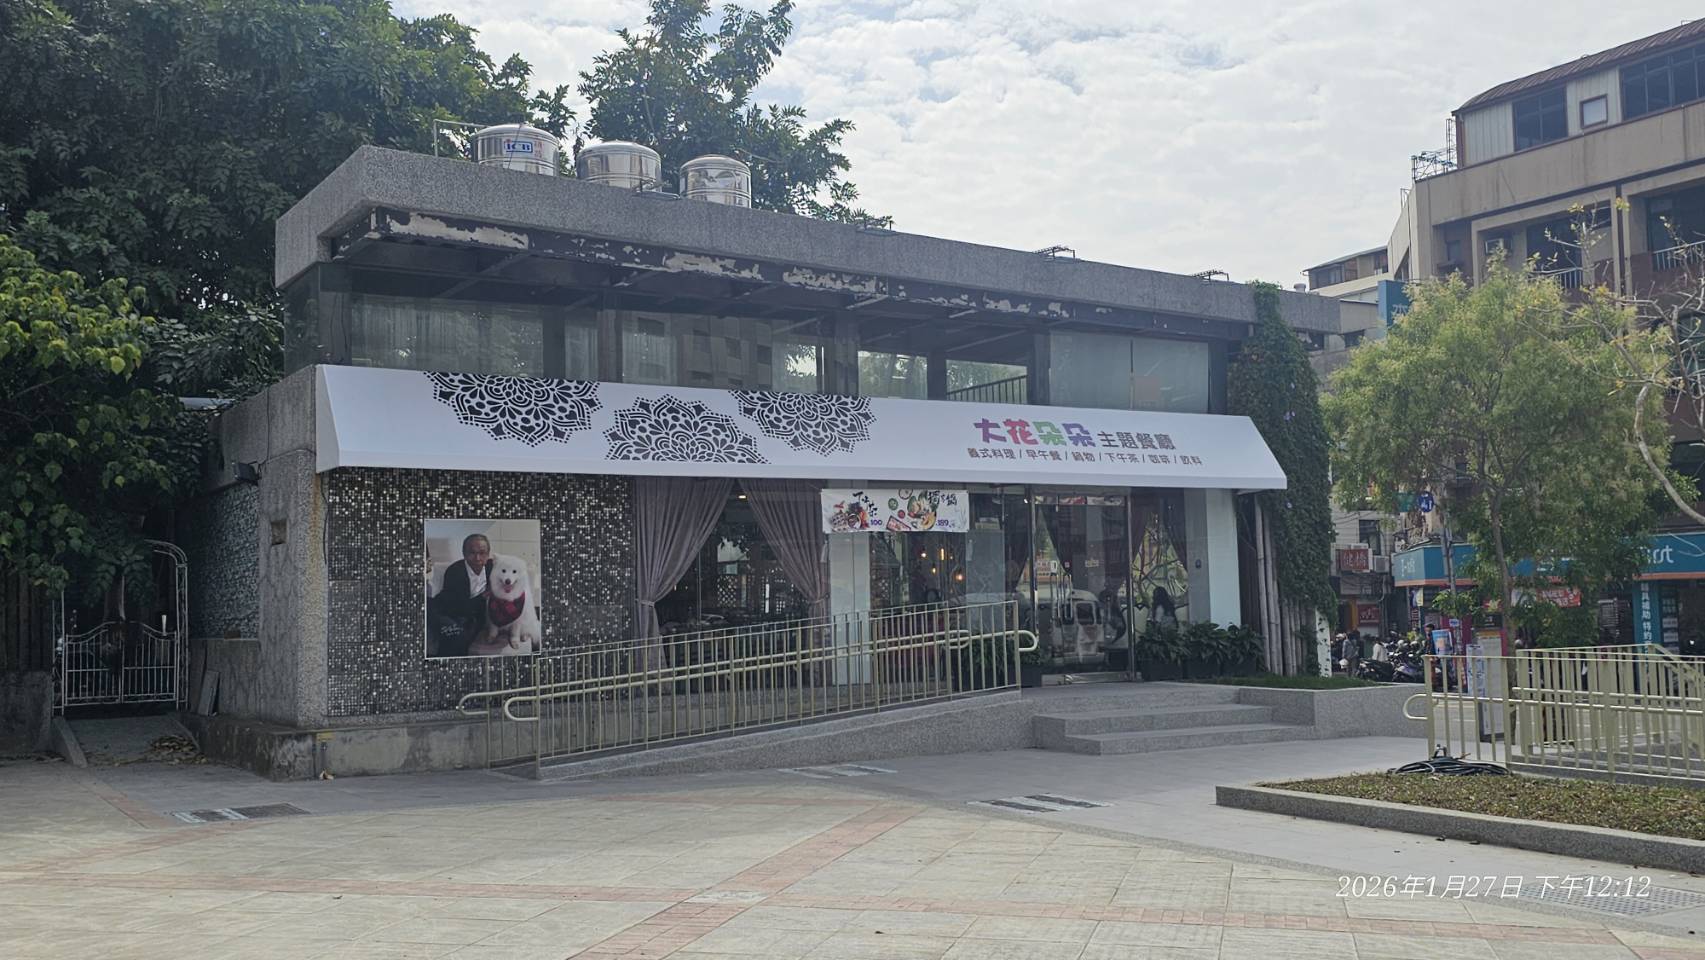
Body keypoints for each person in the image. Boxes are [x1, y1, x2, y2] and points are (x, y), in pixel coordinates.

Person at [428, 534, 492, 657]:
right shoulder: (455, 571)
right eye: (472, 553)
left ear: (488, 554)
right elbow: (459, 607)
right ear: (464, 554)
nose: (477, 558)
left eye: (482, 553)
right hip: (444, 611)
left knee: (465, 635)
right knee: (455, 635)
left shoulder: (492, 568)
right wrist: (484, 595)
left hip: (472, 615)